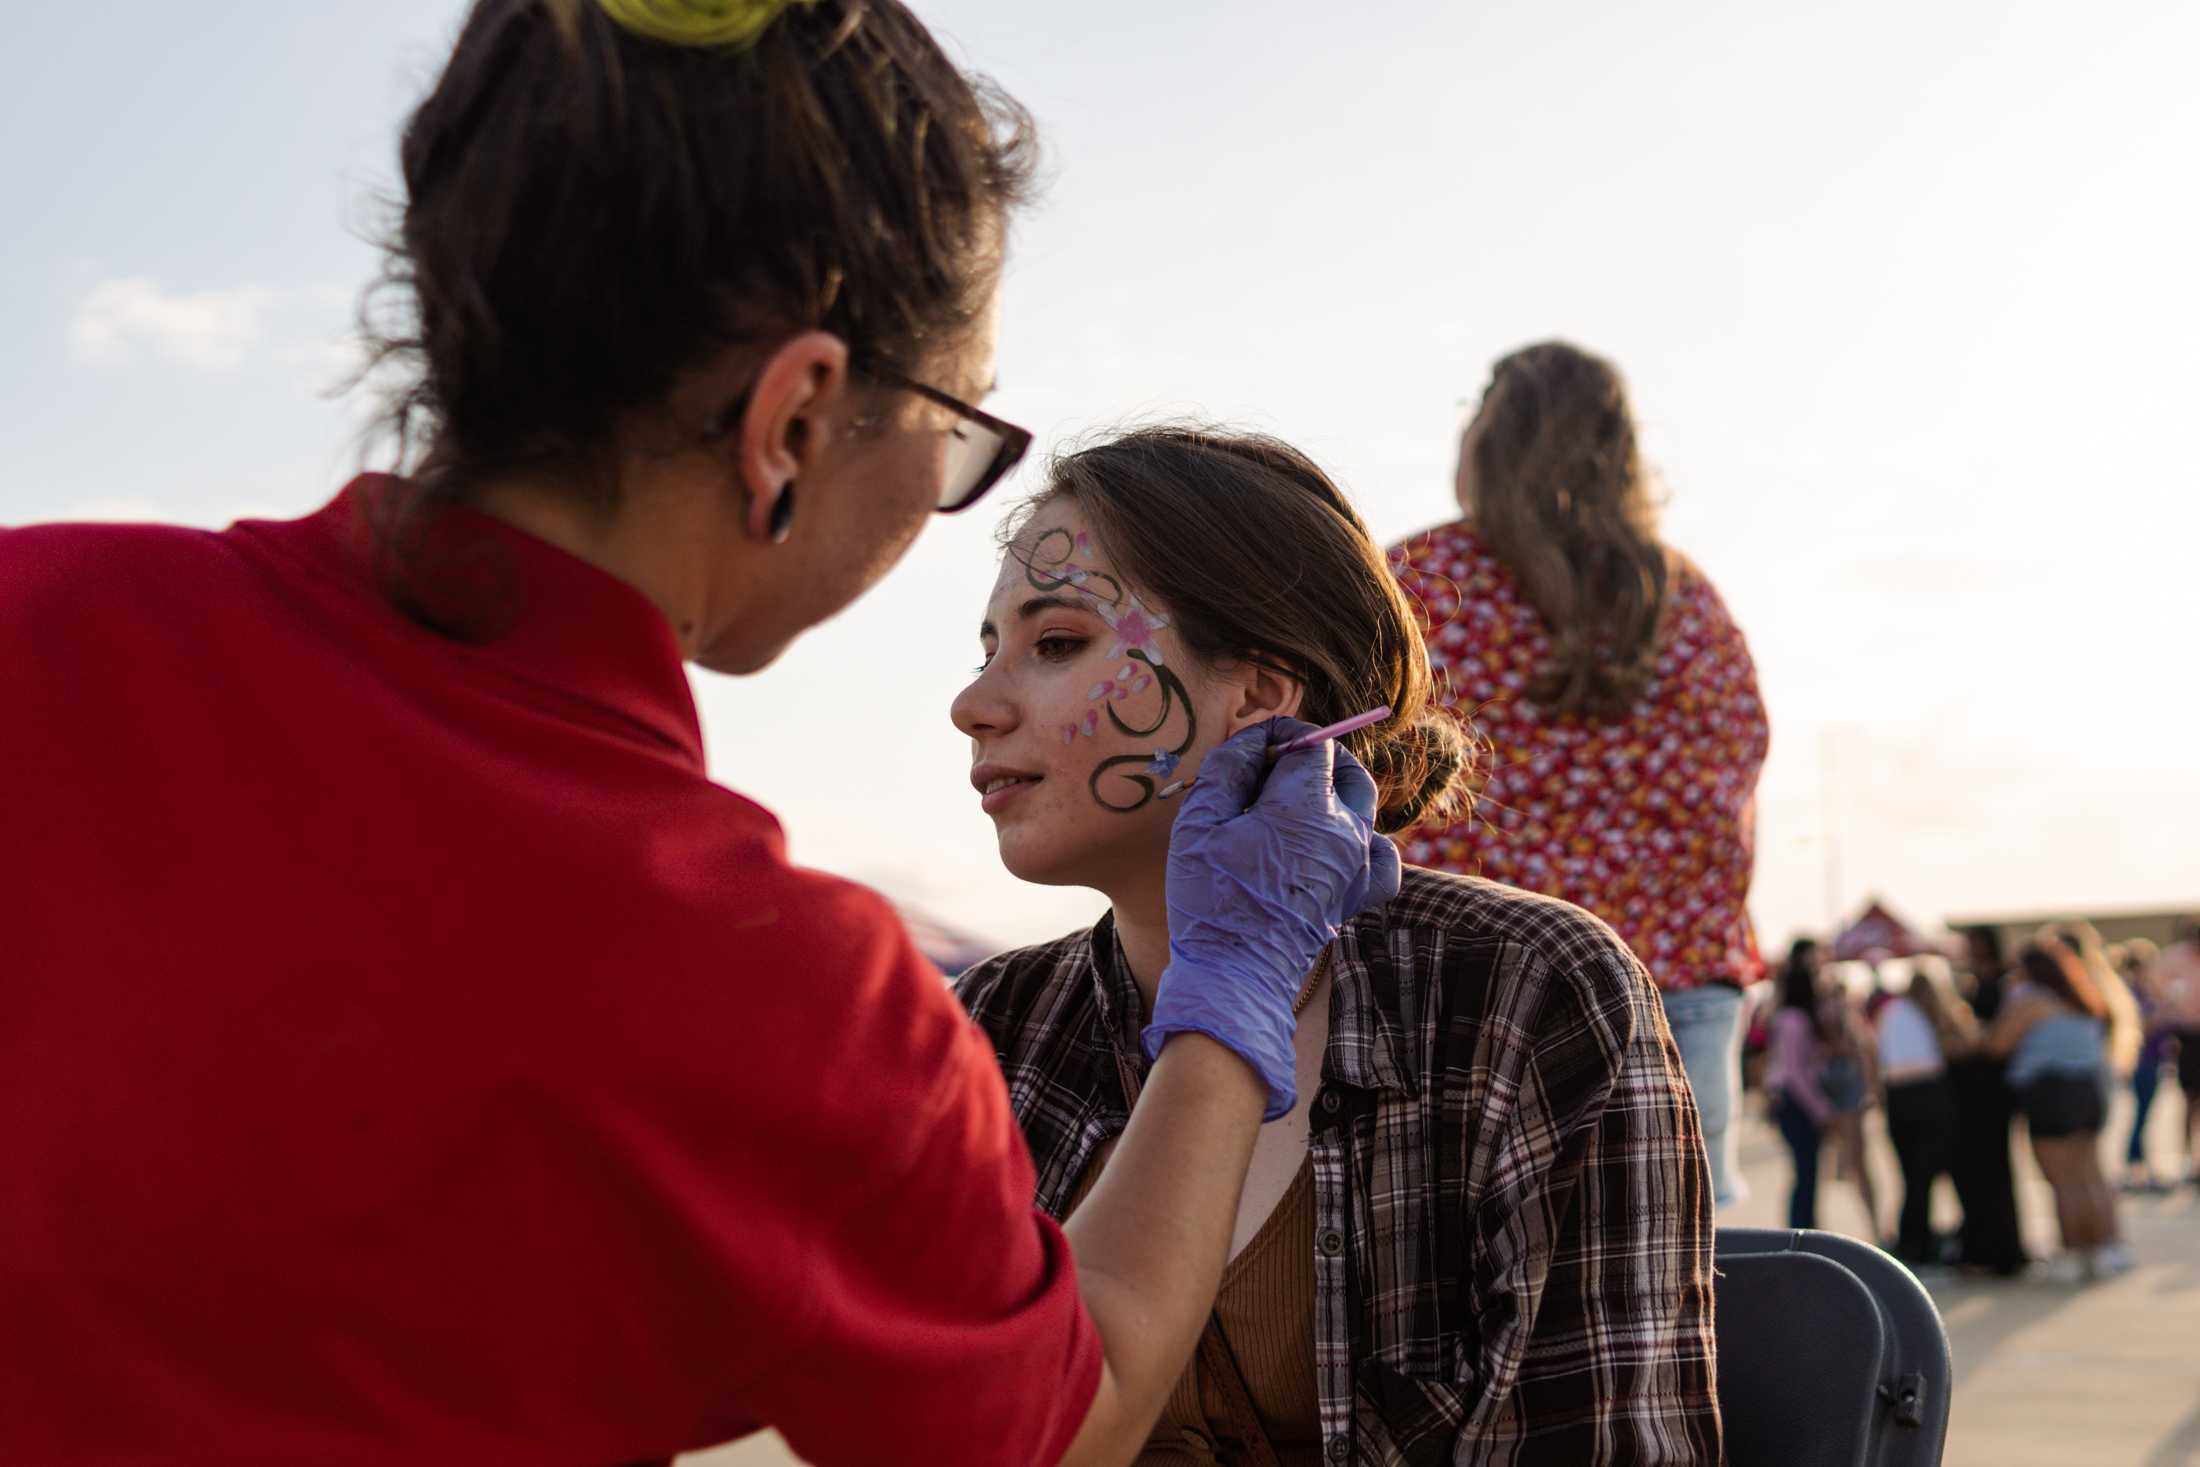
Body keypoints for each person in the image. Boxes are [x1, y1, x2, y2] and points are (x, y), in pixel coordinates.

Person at [0, 5, 1400, 1464]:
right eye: (955, 427)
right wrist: (1234, 1000)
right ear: (792, 418)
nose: (975, 693)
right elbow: (1072, 1407)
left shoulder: (32, 613)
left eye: (1051, 643)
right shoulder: (784, 1002)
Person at [951, 427, 1722, 1464]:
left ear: (1262, 699)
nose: (973, 705)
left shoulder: (1520, 996)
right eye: (986, 649)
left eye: (1054, 645)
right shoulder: (994, 1034)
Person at [1389, 341, 1770, 1210]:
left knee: (1464, 1292)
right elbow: (1733, 790)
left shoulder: (1422, 587)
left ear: (1486, 437)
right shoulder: (1688, 602)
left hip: (1466, 988)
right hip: (1676, 987)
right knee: (1677, 1287)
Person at [1984, 938, 2130, 1280]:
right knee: (2091, 1172)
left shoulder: (2032, 1000)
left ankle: (2073, 1252)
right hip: (2089, 1089)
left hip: (2052, 1091)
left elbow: (1995, 1044)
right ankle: (2108, 1247)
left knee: (2061, 1179)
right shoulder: (2082, 997)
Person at [1876, 956, 1976, 1264]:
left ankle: (1915, 1239)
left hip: (1899, 1097)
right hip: (1928, 1095)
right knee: (1927, 1175)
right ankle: (1920, 1242)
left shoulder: (1893, 1012)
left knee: (1913, 1177)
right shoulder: (1931, 1014)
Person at [1947, 925, 2029, 1275]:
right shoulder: (1973, 980)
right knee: (1978, 1171)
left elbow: (1998, 1037)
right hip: (1975, 1090)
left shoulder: (2007, 982)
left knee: (1993, 1170)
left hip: (1992, 1090)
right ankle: (1983, 1246)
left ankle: (2002, 1250)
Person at [1764, 940, 1834, 1230]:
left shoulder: (1786, 1018)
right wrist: (1820, 1108)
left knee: (1807, 1172)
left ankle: (1805, 1228)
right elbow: (1794, 1073)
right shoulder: (1795, 1020)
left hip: (1789, 1099)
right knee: (1807, 1172)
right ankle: (1802, 1231)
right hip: (1795, 1101)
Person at [1818, 964, 1886, 1242]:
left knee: (1852, 1162)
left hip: (1846, 1090)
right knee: (1852, 1162)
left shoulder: (1845, 1015)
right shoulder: (1839, 1013)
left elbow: (1866, 1052)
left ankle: (1873, 1227)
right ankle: (1872, 1227)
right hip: (1840, 1090)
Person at [2112, 939, 2170, 1191]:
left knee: (2145, 1117)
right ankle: (2133, 1167)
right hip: (2141, 1062)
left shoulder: (2147, 991)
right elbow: (2137, 1028)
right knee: (2141, 1117)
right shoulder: (2130, 993)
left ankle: (2139, 1167)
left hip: (2154, 1059)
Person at [2156, 918, 2200, 1185]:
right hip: (2188, 1036)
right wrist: (2174, 1008)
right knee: (2188, 1100)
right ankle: (2188, 1158)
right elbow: (2159, 989)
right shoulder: (2174, 958)